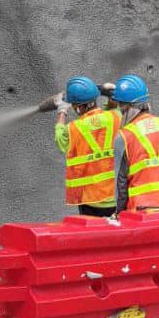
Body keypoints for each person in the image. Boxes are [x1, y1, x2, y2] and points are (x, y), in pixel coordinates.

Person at [109, 73, 159, 214]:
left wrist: (119, 213)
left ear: (128, 107)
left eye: (120, 105)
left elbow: (121, 186)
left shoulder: (123, 137)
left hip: (141, 214)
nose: (119, 109)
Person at [54, 76, 122, 216]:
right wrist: (106, 92)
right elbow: (116, 106)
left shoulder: (72, 128)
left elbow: (60, 139)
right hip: (116, 196)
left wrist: (62, 111)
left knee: (95, 237)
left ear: (78, 107)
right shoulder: (115, 117)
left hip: (90, 200)